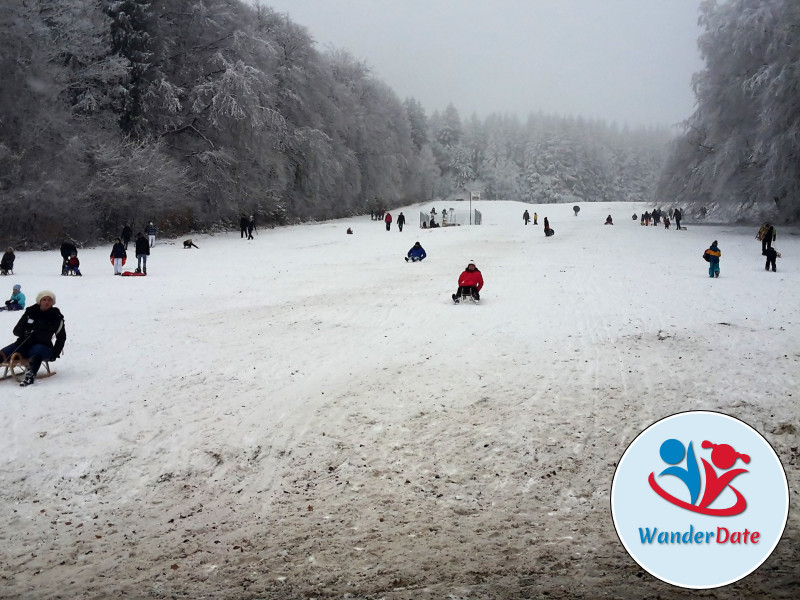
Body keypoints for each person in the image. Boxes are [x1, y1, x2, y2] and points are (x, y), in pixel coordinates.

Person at [0, 290, 66, 387]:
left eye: (49, 300)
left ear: (52, 302)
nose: (47, 302)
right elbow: (16, 331)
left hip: (43, 347)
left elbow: (61, 337)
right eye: (44, 299)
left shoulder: (56, 317)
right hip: (23, 344)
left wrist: (55, 354)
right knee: (3, 353)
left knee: (37, 350)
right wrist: (24, 332)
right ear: (39, 301)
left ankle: (30, 376)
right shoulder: (30, 312)